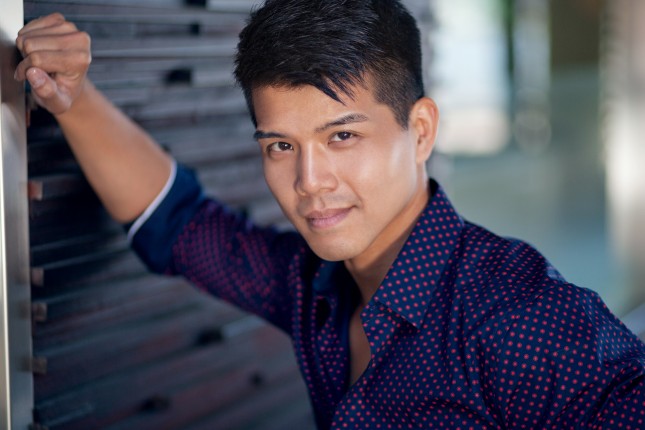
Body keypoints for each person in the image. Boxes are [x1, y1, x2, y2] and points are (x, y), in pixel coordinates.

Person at [14, 1, 645, 428]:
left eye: (342, 136)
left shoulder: (522, 318)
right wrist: (72, 97)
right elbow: (178, 225)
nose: (309, 183)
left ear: (421, 131)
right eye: (280, 146)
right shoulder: (315, 282)